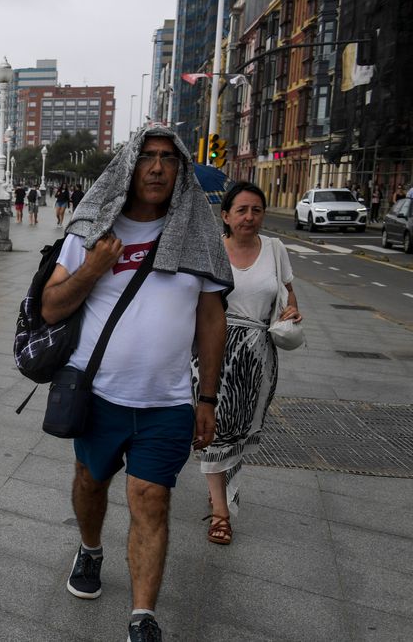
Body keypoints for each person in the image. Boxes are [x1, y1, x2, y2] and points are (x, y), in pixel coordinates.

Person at [40, 127, 231, 642]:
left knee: (151, 498)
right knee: (90, 482)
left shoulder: (199, 234)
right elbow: (52, 306)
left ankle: (142, 616)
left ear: (181, 171)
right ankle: (91, 547)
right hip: (96, 394)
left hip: (167, 401)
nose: (156, 167)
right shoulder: (92, 230)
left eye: (169, 159)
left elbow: (213, 320)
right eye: (146, 157)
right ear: (129, 165)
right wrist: (96, 266)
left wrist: (207, 397)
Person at [199, 180, 300, 546]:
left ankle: (219, 491)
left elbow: (290, 298)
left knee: (240, 429)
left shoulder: (274, 249)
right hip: (215, 351)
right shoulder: (212, 250)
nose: (249, 217)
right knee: (217, 428)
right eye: (241, 210)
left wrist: (292, 311)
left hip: (259, 357)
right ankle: (222, 513)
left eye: (256, 210)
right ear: (225, 216)